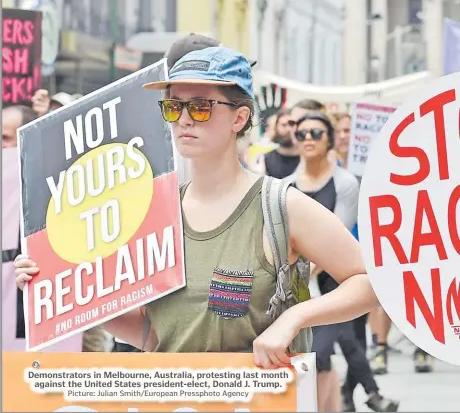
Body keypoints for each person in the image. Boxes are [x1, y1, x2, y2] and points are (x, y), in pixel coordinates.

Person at [15, 47, 379, 374]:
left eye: (201, 106)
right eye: (173, 106)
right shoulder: (152, 211)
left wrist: (296, 318)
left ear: (239, 119)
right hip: (174, 397)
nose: (184, 119)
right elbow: (154, 334)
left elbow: (370, 281)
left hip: (259, 399)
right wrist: (63, 294)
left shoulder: (280, 205)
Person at [286, 112, 398, 412]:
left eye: (316, 133)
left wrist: (302, 272)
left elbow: (337, 236)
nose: (307, 139)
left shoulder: (345, 183)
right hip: (294, 289)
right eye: (301, 134)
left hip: (340, 282)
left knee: (328, 351)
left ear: (329, 140)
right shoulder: (282, 186)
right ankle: (360, 397)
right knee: (339, 349)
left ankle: (366, 395)